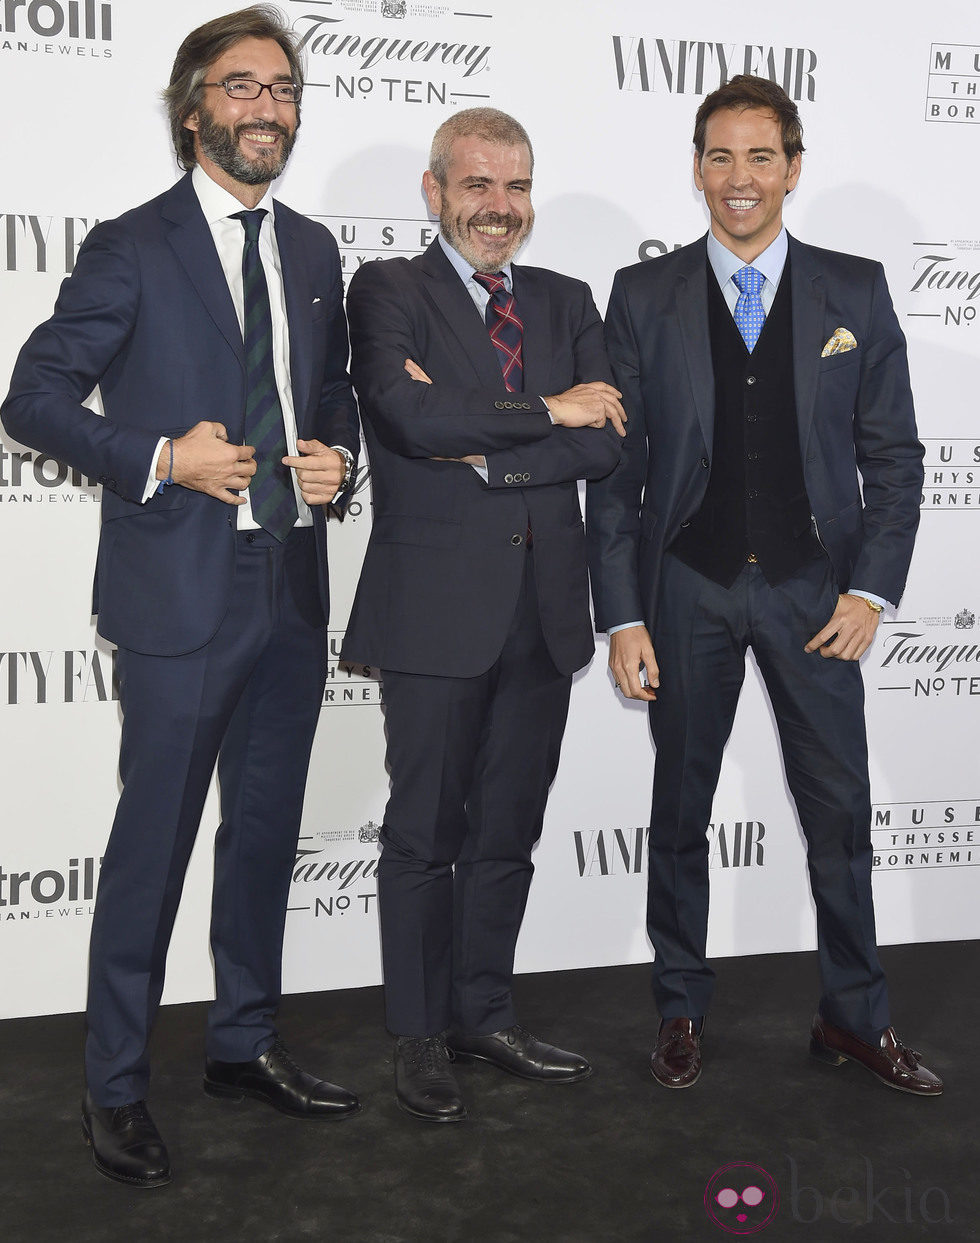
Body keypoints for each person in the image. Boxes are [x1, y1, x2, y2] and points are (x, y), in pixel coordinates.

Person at [1, 5, 362, 1188]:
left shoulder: (312, 251)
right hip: (178, 595)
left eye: (284, 88)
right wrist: (164, 456)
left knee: (262, 836)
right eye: (243, 86)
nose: (268, 106)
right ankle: (113, 1086)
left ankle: (242, 1043)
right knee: (152, 844)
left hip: (289, 584)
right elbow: (35, 397)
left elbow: (335, 393)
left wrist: (334, 457)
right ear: (193, 106)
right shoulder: (132, 244)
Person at [586, 75, 943, 1097]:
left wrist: (869, 592)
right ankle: (678, 1009)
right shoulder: (641, 296)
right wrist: (622, 611)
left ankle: (853, 1015)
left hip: (812, 596)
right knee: (680, 811)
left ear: (791, 166)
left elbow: (895, 456)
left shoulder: (854, 289)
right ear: (694, 167)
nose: (736, 179)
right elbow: (617, 472)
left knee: (837, 813)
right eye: (717, 156)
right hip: (685, 589)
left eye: (757, 157)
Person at [343, 107, 625, 1121]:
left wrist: (491, 447)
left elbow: (606, 446)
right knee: (424, 831)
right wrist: (550, 407)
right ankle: (419, 1035)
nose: (496, 208)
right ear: (434, 191)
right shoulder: (386, 288)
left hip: (544, 608)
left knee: (507, 829)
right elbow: (407, 418)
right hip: (431, 611)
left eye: (513, 188)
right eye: (475, 185)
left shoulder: (565, 297)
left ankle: (484, 1012)